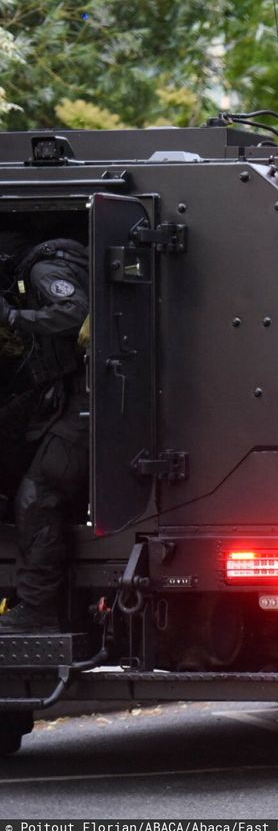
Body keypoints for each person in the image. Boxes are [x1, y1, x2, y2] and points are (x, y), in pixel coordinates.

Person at [0, 234, 91, 634]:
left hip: (86, 401)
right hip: (66, 396)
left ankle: (37, 610)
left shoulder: (42, 270)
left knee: (37, 496)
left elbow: (75, 311)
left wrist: (14, 318)